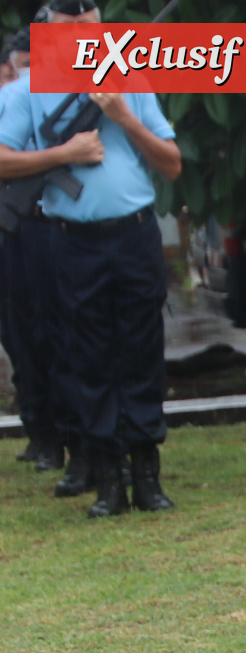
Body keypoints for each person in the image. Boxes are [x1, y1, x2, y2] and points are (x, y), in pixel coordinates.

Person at [0, 0, 183, 519]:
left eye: (88, 23)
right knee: (89, 356)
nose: (80, 32)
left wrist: (124, 116)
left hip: (135, 235)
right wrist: (63, 155)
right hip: (71, 240)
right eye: (68, 25)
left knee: (142, 352)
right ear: (48, 31)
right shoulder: (26, 91)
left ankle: (147, 474)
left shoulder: (131, 78)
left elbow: (171, 164)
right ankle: (107, 478)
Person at [0, 21, 62, 476]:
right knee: (20, 330)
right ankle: (41, 429)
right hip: (13, 228)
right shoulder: (13, 103)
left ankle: (59, 432)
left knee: (51, 330)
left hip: (46, 225)